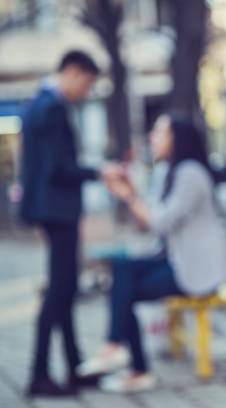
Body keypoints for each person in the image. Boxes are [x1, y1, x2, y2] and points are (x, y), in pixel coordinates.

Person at [76, 112, 226, 393]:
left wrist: (127, 195)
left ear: (178, 138)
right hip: (174, 261)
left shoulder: (191, 174)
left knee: (124, 287)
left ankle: (129, 361)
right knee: (122, 273)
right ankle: (122, 354)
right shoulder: (167, 171)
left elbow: (158, 221)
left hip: (196, 270)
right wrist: (128, 191)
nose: (152, 137)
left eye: (160, 132)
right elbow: (151, 221)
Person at [19, 50, 120, 396]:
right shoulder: (51, 108)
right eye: (88, 84)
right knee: (59, 292)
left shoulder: (41, 103)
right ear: (74, 73)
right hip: (57, 211)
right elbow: (60, 168)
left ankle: (74, 367)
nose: (87, 92)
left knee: (65, 289)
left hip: (52, 210)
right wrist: (100, 171)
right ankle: (38, 376)